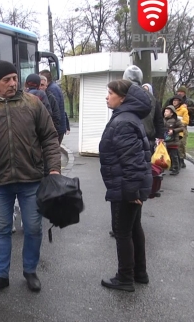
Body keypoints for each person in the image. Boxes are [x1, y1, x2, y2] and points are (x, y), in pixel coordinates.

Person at [0, 60, 61, 294]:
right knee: (1, 230)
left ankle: (30, 271)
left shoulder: (33, 104)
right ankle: (1, 276)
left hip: (31, 179)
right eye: (6, 79)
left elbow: (49, 137)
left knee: (33, 228)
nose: (12, 83)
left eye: (15, 78)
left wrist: (54, 169)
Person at [99, 79, 152, 292]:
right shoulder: (127, 118)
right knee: (133, 228)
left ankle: (125, 278)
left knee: (122, 231)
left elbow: (132, 161)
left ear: (123, 98)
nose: (107, 96)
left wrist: (130, 192)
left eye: (110, 93)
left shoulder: (122, 122)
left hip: (125, 187)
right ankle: (139, 273)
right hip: (128, 185)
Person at [122, 66, 165, 154]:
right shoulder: (151, 97)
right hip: (147, 140)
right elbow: (158, 120)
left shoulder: (123, 93)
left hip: (127, 139)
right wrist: (160, 137)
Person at [40, 70, 67, 144]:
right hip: (58, 128)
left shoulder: (51, 90)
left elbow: (54, 110)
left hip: (56, 129)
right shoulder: (54, 87)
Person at [163, 105, 185, 175]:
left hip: (173, 141)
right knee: (165, 155)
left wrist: (174, 131)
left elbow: (182, 128)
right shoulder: (163, 119)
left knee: (174, 156)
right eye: (165, 111)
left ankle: (176, 168)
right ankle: (167, 167)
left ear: (172, 113)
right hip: (165, 141)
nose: (165, 113)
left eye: (167, 111)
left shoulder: (176, 120)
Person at [171, 95, 190, 168]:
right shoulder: (171, 109)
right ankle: (174, 161)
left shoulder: (183, 110)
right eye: (173, 100)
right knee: (173, 146)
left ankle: (181, 161)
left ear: (179, 102)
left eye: (176, 100)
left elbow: (186, 121)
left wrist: (178, 120)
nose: (174, 102)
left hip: (182, 130)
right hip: (173, 130)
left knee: (181, 146)